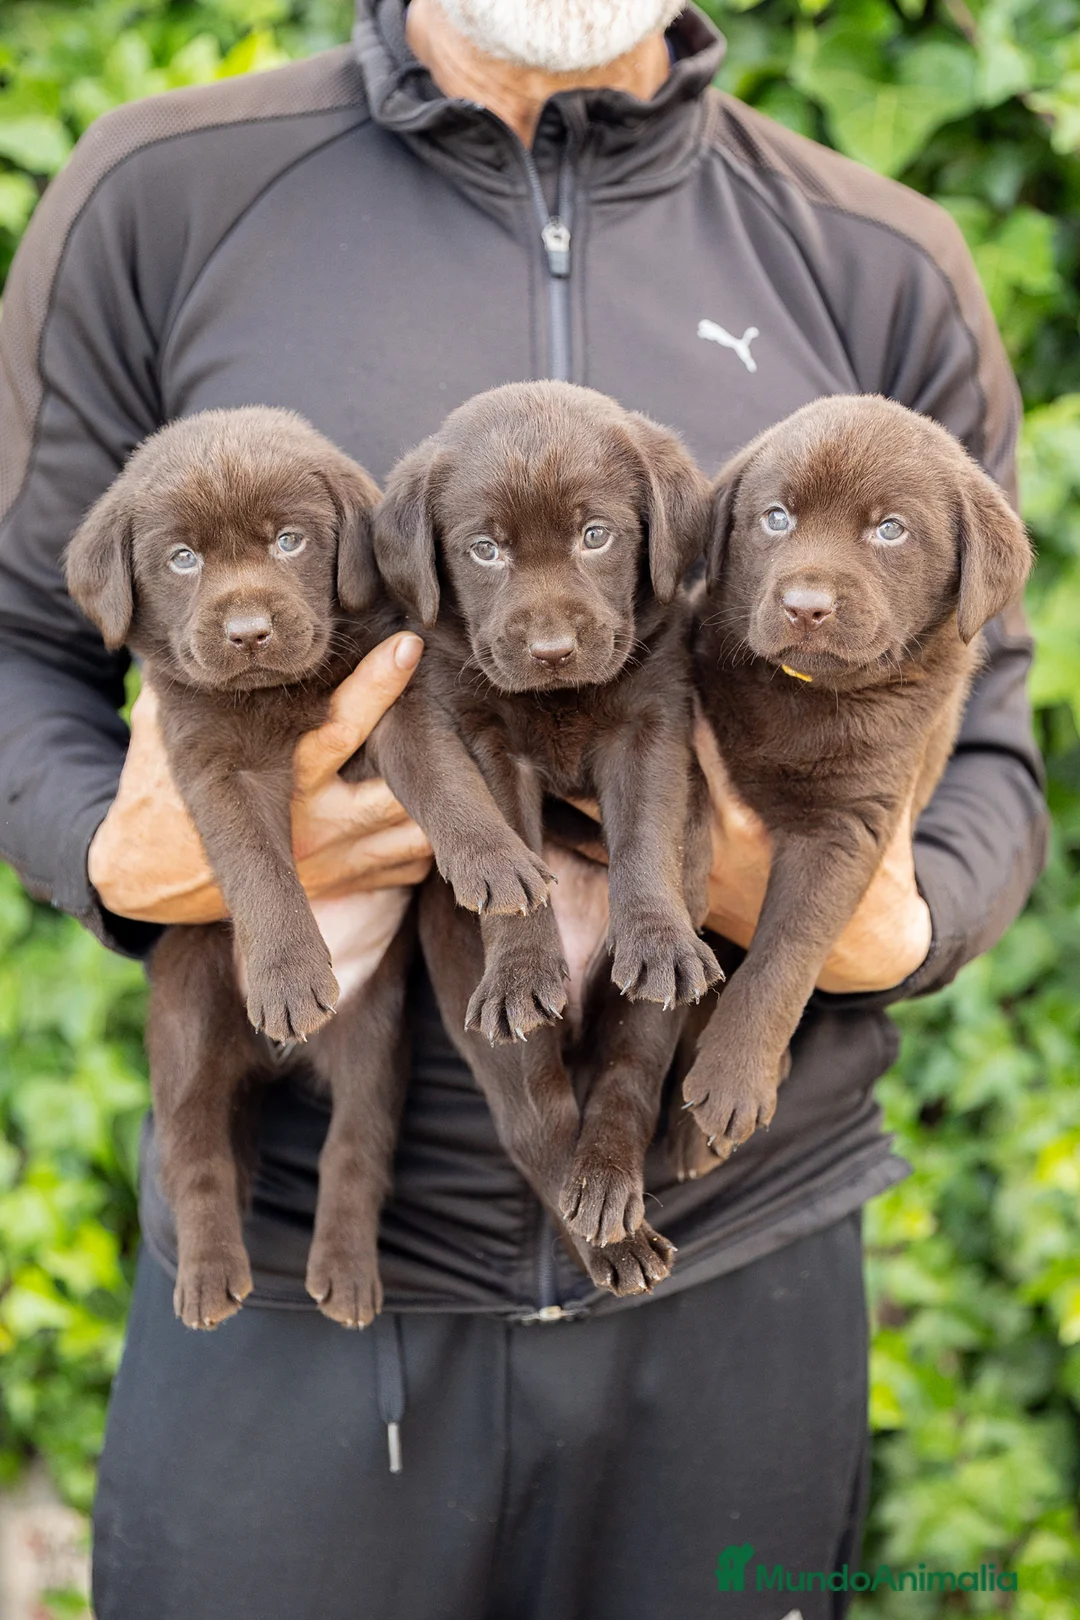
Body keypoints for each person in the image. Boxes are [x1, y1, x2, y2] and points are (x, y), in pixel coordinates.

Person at [0, 1, 1046, 1615]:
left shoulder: (879, 254)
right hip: (293, 1279)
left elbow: (993, 732)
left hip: (738, 1274)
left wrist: (898, 930)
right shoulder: (165, 192)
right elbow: (18, 638)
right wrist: (108, 850)